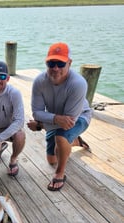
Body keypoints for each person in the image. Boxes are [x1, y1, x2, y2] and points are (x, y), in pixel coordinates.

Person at [28, 42, 92, 191]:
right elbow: (37, 112)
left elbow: (68, 122)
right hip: (56, 118)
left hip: (80, 117)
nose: (55, 68)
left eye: (60, 63)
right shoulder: (39, 81)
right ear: (46, 62)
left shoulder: (78, 83)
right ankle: (75, 141)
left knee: (61, 137)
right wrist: (55, 119)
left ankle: (60, 173)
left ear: (69, 63)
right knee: (51, 160)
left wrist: (40, 126)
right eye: (51, 63)